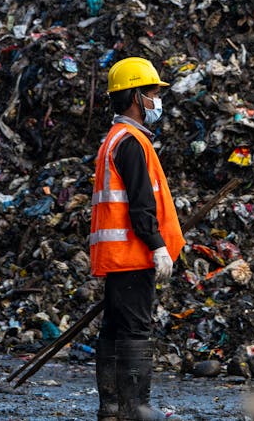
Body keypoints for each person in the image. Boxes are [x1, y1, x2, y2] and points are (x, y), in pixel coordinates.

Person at [90, 56, 185, 421]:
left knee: (114, 329)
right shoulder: (130, 142)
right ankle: (136, 409)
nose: (156, 100)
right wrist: (157, 246)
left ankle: (112, 408)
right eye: (151, 92)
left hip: (120, 256)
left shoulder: (116, 140)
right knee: (134, 331)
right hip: (133, 254)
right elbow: (141, 203)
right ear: (133, 96)